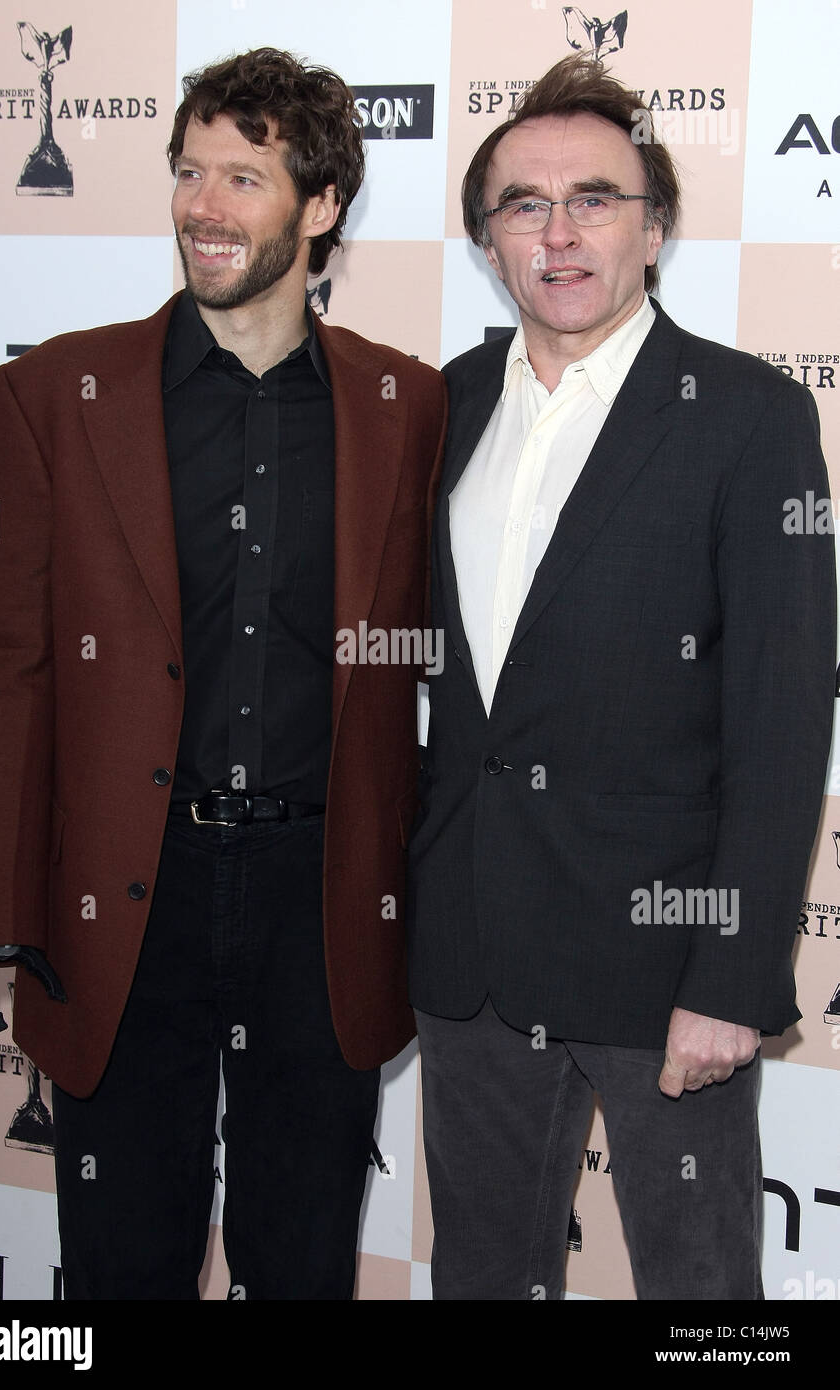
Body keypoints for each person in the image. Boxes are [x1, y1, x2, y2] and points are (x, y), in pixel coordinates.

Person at [0, 46, 446, 1300]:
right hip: (125, 900)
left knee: (301, 1262)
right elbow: (3, 676)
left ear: (321, 206)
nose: (201, 205)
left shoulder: (411, 407)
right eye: (187, 172)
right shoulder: (49, 395)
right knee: (120, 1266)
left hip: (320, 903)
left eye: (243, 175)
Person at [406, 53, 834, 1301]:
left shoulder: (746, 417)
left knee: (701, 1295)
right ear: (487, 242)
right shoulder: (444, 405)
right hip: (470, 964)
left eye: (593, 198)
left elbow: (779, 713)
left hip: (665, 977)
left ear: (654, 225)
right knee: (483, 1281)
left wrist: (731, 977)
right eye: (522, 206)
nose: (558, 231)